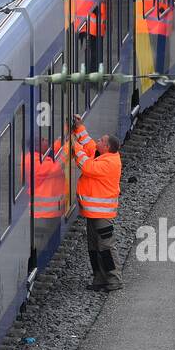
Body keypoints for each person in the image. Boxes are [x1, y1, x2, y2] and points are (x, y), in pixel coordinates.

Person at [70, 115, 123, 292]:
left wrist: (73, 145)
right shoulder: (103, 154)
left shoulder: (109, 163)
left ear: (106, 147)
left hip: (102, 214)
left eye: (101, 140)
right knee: (94, 247)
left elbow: (87, 166)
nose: (97, 141)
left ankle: (114, 280)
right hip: (93, 213)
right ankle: (99, 279)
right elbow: (89, 145)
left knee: (106, 247)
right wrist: (79, 128)